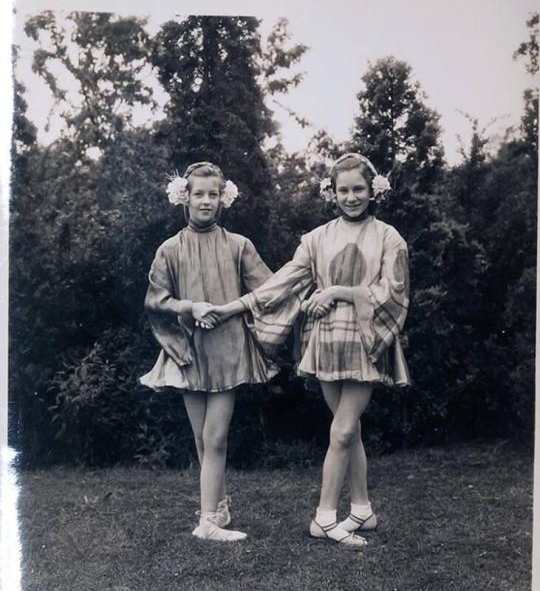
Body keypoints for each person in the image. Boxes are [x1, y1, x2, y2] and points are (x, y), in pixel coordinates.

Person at [202, 153, 411, 549]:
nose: (351, 197)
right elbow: (280, 284)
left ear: (373, 191)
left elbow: (395, 292)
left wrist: (336, 291)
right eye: (343, 190)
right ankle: (362, 508)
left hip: (366, 339)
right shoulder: (316, 239)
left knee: (345, 428)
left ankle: (325, 517)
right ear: (331, 193)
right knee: (346, 428)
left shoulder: (389, 237)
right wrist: (231, 308)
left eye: (358, 189)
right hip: (327, 339)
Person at [140, 161, 279, 542]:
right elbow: (156, 301)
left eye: (212, 194)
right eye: (198, 194)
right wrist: (189, 307)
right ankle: (217, 507)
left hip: (227, 350)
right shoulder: (169, 249)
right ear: (184, 197)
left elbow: (270, 290)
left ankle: (207, 523)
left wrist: (233, 308)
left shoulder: (239, 246)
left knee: (216, 437)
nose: (205, 201)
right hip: (188, 350)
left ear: (223, 199)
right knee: (202, 438)